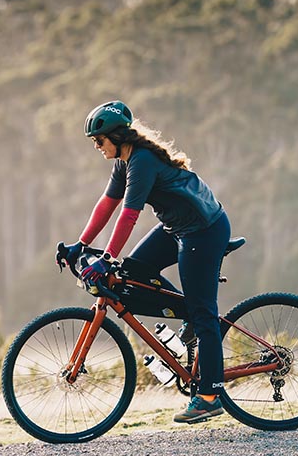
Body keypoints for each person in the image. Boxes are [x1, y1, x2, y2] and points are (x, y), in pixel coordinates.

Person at [61, 100, 231, 423]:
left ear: (117, 136)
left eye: (99, 141)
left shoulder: (142, 161)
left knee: (204, 312)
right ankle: (188, 317)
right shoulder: (123, 162)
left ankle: (209, 396)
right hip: (176, 228)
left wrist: (107, 257)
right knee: (133, 273)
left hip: (203, 232)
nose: (97, 147)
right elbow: (106, 205)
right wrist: (80, 245)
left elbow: (128, 215)